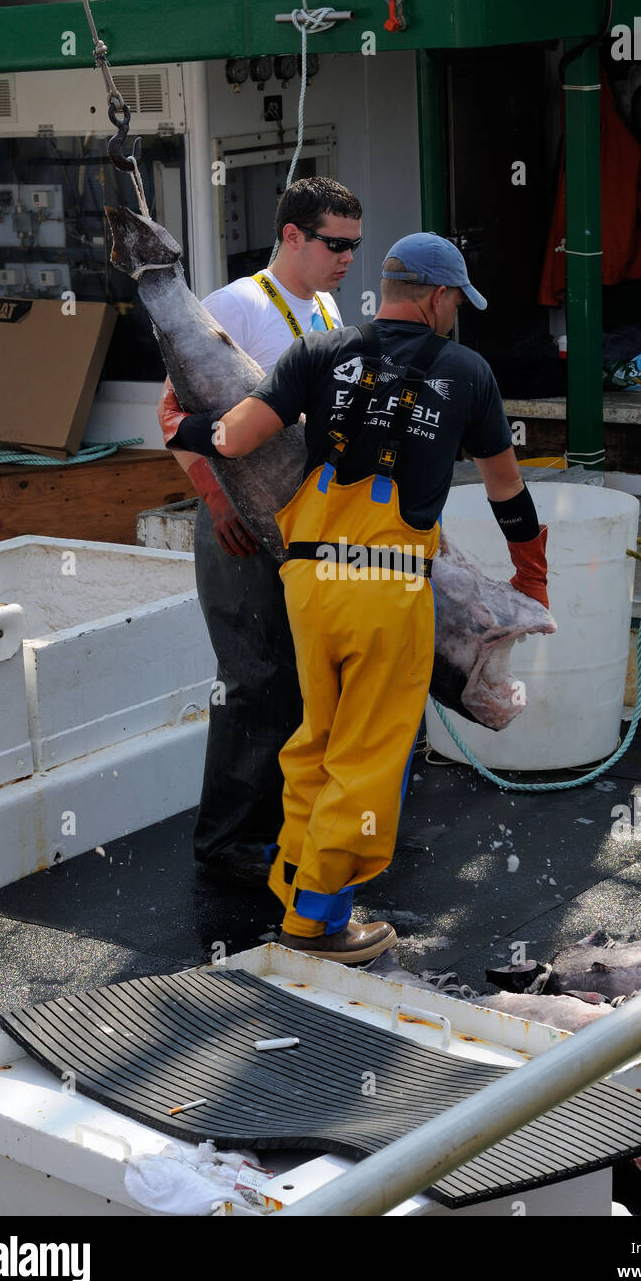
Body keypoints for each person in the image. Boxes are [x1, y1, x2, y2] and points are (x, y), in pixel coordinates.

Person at [163, 232, 550, 962]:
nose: (455, 314)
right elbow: (506, 488)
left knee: (315, 738)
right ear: (438, 297)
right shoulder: (466, 372)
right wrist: (531, 576)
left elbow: (236, 437)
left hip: (309, 581)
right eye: (456, 301)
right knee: (368, 755)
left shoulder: (319, 351)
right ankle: (318, 922)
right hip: (384, 586)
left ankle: (293, 882)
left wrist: (178, 427)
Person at [159, 177, 362, 886]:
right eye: (334, 244)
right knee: (251, 678)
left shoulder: (327, 306)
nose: (345, 259)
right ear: (292, 236)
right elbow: (171, 418)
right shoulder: (234, 306)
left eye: (353, 247)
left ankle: (280, 827)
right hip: (237, 523)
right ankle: (224, 844)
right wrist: (217, 504)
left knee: (301, 678)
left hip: (299, 525)